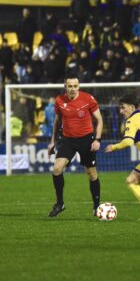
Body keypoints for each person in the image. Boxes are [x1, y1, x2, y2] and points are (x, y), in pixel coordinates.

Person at [47, 77, 103, 217]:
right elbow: (57, 121)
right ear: (65, 86)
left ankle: (96, 206)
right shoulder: (59, 100)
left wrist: (97, 139)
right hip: (68, 140)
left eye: (75, 86)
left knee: (91, 173)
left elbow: (99, 120)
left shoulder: (88, 99)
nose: (72, 88)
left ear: (79, 86)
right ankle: (60, 204)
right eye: (70, 86)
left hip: (86, 140)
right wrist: (53, 141)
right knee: (57, 168)